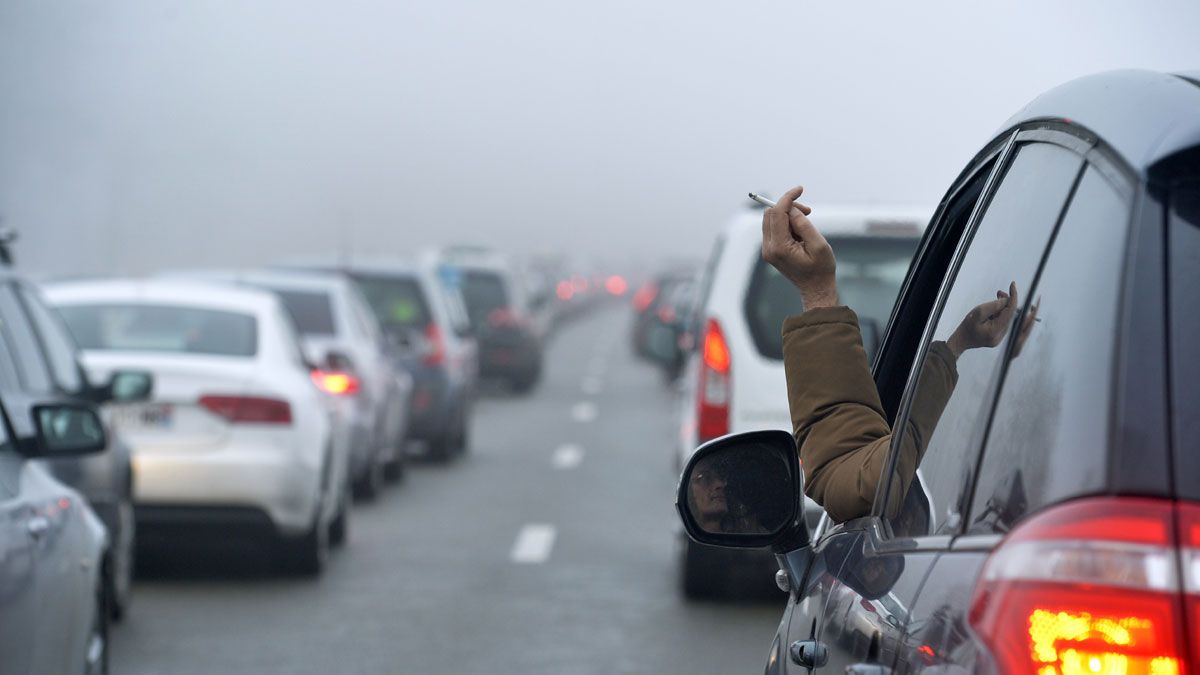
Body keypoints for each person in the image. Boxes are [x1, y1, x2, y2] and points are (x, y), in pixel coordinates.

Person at [761, 186, 1037, 524]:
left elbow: (858, 482)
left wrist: (818, 289)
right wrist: (962, 345)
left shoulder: (1029, 433)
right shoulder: (1045, 424)